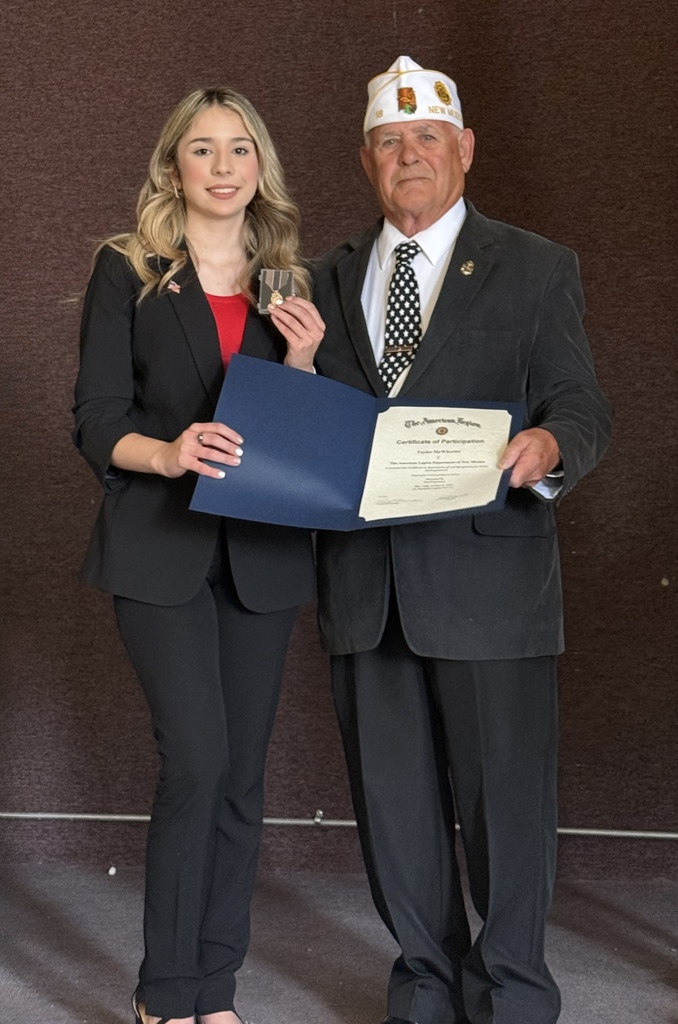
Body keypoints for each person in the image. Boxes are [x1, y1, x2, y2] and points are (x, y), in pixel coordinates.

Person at [312, 57, 612, 1024]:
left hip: (491, 577)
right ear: (367, 161)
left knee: (506, 809)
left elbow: (581, 403)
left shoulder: (536, 265)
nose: (411, 155)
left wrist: (551, 443)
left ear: (465, 149)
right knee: (392, 810)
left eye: (428, 137)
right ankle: (425, 987)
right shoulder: (324, 277)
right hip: (367, 583)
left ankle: (515, 991)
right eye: (390, 142)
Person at [73, 86, 324, 1024]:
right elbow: (95, 420)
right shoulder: (128, 269)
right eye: (203, 150)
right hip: (159, 549)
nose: (224, 167)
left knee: (243, 777)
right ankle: (163, 992)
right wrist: (170, 451)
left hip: (259, 558)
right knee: (198, 759)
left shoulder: (288, 284)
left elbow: (302, 447)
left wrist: (300, 371)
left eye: (241, 150)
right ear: (172, 165)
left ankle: (213, 990)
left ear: (262, 168)